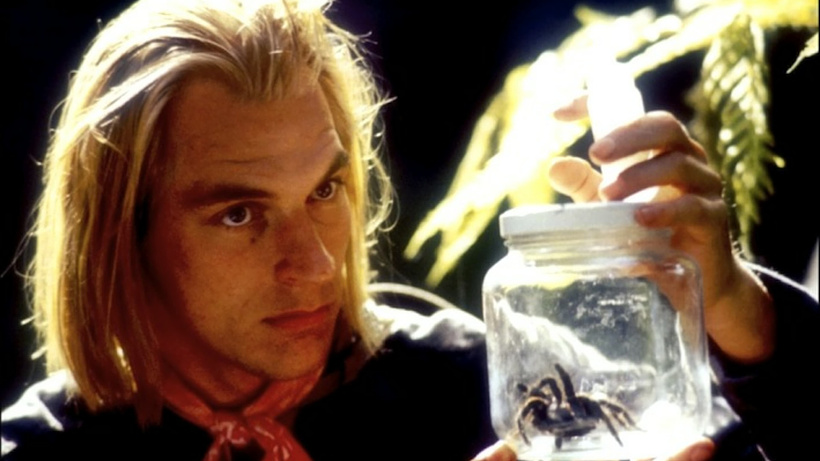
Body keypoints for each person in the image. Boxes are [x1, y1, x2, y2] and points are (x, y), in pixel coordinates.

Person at [1, 1, 816, 461]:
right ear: (120, 231)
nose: (314, 262)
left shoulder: (486, 383)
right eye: (239, 214)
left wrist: (740, 309)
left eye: (326, 189)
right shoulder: (42, 450)